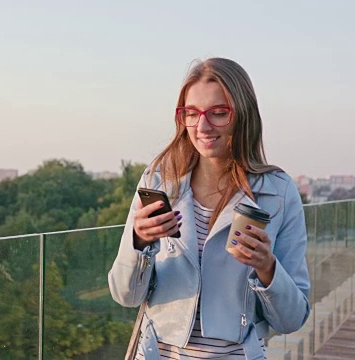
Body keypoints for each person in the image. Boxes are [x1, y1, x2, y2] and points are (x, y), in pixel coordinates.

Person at [108, 58, 310, 360]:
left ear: (243, 115)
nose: (202, 126)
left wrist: (267, 267)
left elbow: (291, 320)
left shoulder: (278, 193)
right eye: (191, 113)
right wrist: (140, 242)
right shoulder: (159, 179)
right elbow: (126, 295)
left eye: (218, 113)